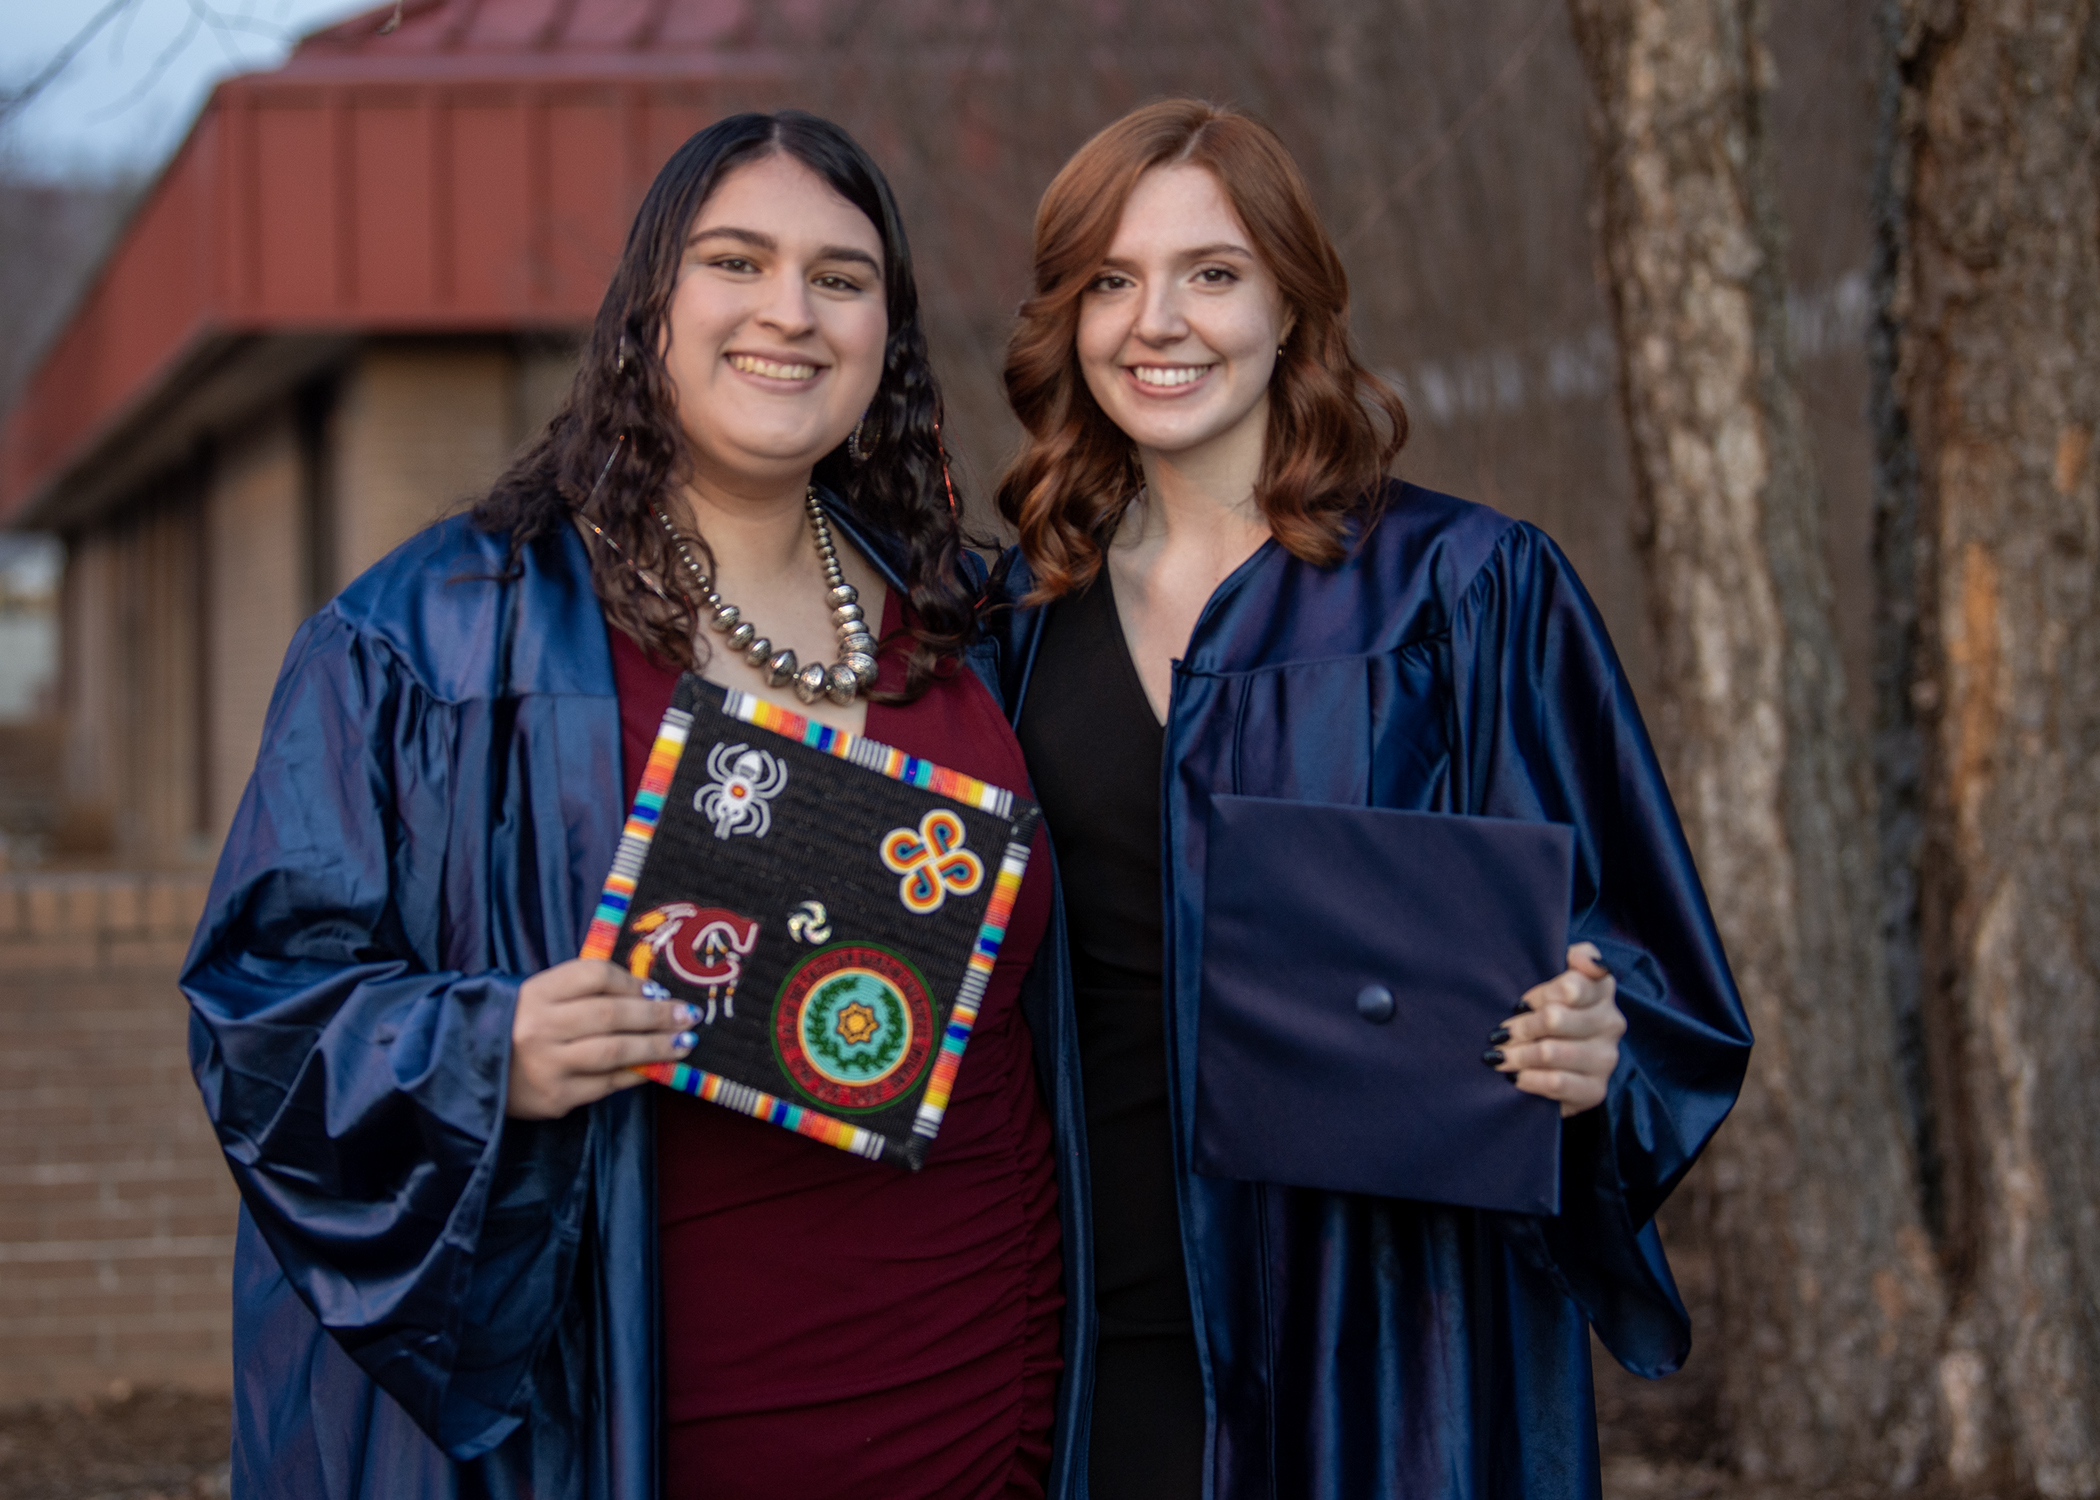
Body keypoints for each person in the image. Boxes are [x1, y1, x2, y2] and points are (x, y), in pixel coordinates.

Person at [183, 111, 1061, 1499]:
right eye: (736, 260)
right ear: (648, 306)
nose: (790, 311)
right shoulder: (441, 639)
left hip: (969, 1378)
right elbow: (259, 1003)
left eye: (841, 277)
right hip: (628, 1415)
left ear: (888, 332)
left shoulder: (980, 619)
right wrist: (484, 1049)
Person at [989, 99, 1753, 1500]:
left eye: (1211, 273)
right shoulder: (1010, 627)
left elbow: (1649, 971)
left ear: (1291, 301)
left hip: (1394, 1335)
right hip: (1091, 1328)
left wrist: (1595, 1042)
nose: (1158, 321)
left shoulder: (1466, 593)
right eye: (1112, 279)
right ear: (1068, 320)